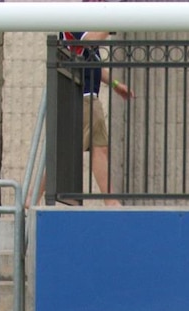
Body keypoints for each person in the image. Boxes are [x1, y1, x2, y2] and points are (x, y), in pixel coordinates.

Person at [59, 15, 133, 205]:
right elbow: (90, 41)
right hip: (84, 98)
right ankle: (111, 202)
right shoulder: (73, 20)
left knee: (93, 149)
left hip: (87, 97)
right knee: (84, 150)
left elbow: (94, 65)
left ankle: (111, 201)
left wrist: (115, 84)